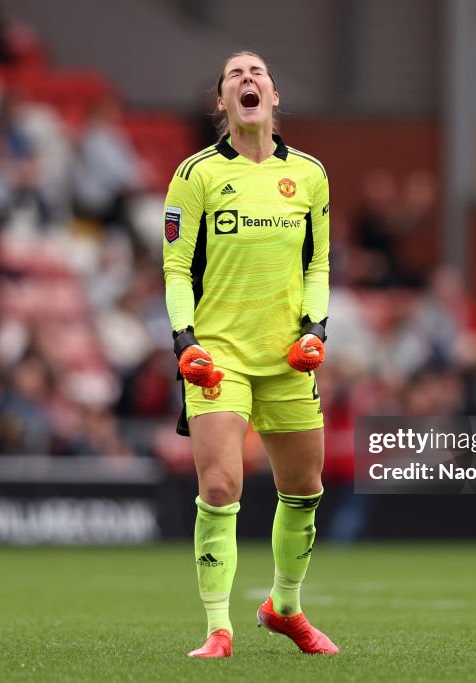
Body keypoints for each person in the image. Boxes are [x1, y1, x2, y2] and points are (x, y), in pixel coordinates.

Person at [162, 51, 338, 659]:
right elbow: (176, 268)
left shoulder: (310, 175)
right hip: (220, 356)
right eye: (234, 75)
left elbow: (317, 264)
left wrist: (316, 328)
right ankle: (218, 628)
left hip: (290, 357)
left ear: (274, 94)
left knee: (305, 488)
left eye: (256, 72)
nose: (246, 80)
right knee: (218, 486)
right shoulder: (196, 174)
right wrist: (185, 340)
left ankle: (284, 608)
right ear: (221, 103)